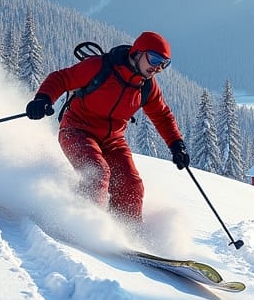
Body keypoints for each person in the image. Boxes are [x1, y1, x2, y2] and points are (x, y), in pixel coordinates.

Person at [26, 31, 189, 224]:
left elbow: (162, 116)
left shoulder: (146, 87)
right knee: (97, 173)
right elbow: (62, 78)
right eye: (154, 59)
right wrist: (43, 99)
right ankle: (83, 224)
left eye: (164, 64)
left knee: (131, 185)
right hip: (77, 130)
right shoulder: (100, 67)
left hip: (113, 141)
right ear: (138, 52)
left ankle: (126, 231)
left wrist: (177, 145)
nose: (157, 68)